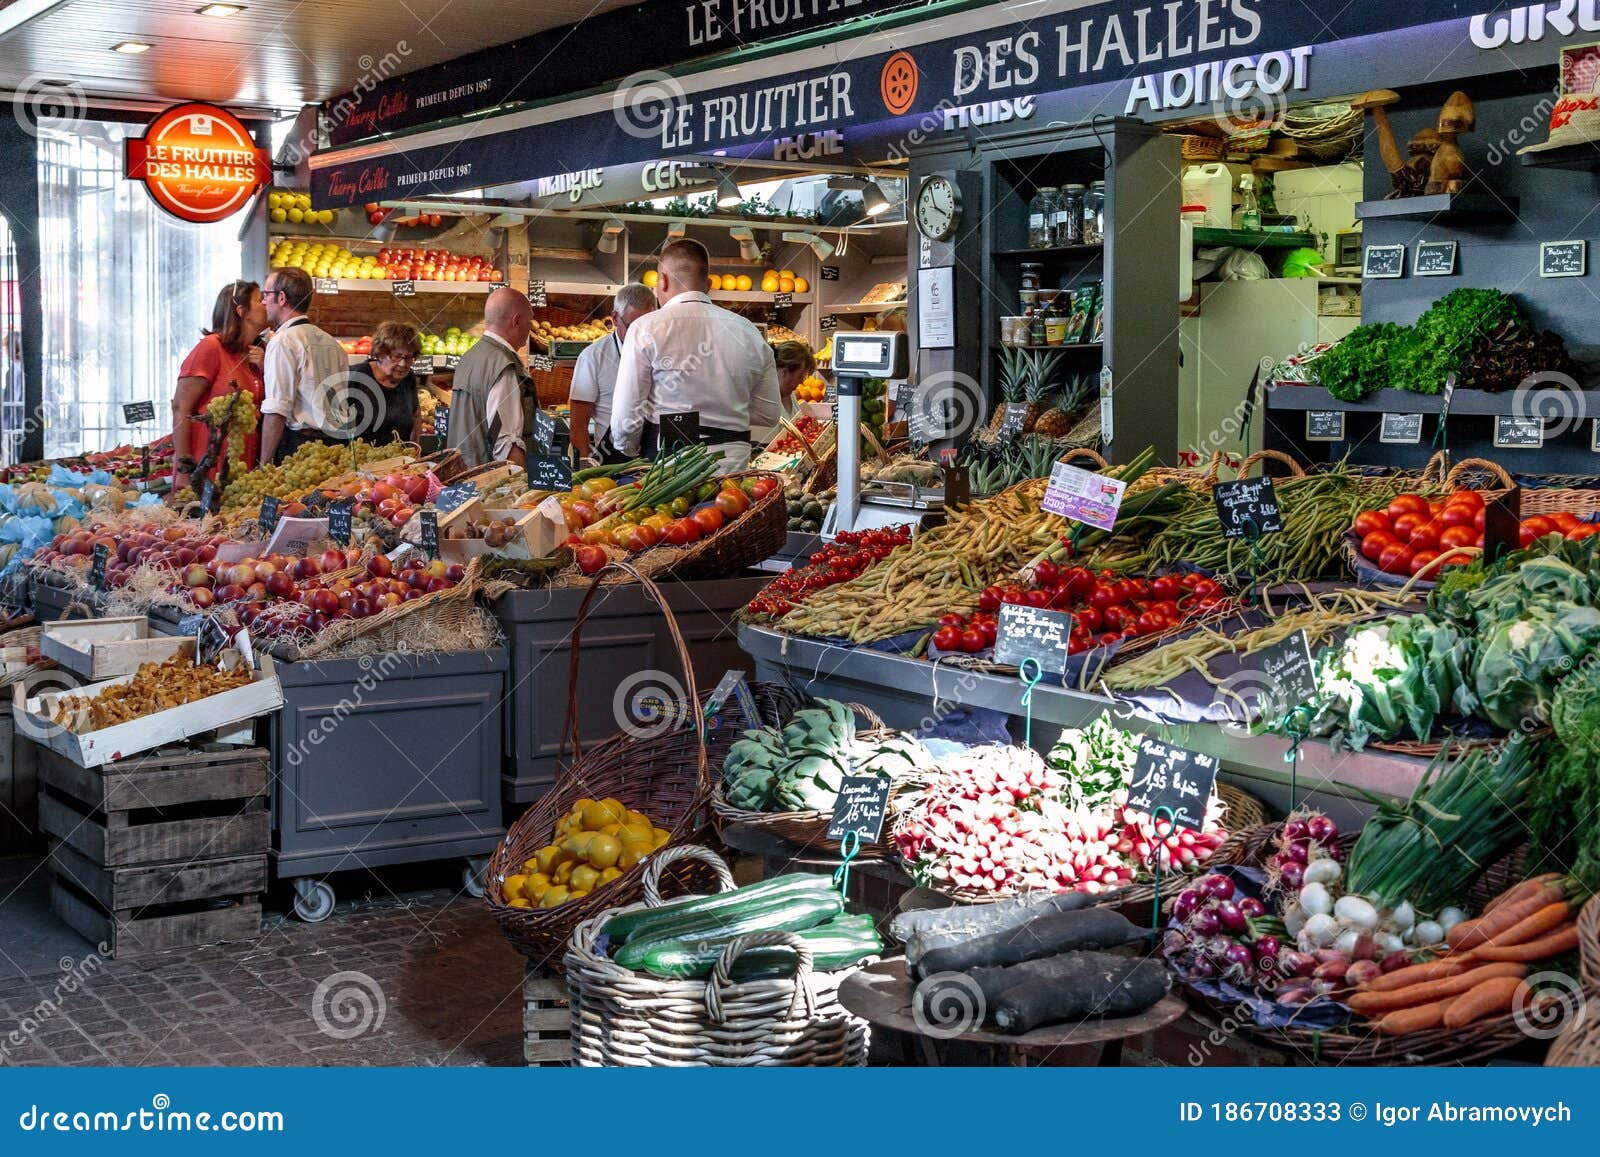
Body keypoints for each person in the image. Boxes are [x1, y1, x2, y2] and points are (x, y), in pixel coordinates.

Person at [610, 239, 782, 473]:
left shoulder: (645, 328)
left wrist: (630, 449)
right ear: (708, 284)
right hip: (732, 468)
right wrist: (725, 415)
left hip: (668, 467)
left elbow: (625, 421)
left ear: (663, 280)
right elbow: (769, 414)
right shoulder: (748, 330)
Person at [171, 279, 266, 490]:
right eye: (260, 300)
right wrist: (184, 471)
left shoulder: (259, 352)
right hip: (206, 462)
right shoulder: (211, 347)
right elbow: (180, 407)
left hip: (242, 462)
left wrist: (266, 366)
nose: (267, 303)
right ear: (242, 311)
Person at [258, 267, 351, 465]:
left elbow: (277, 409)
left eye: (266, 294)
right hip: (337, 448)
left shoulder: (283, 341)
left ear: (281, 298)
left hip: (300, 448)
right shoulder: (332, 343)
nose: (263, 301)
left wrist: (263, 464)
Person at [445, 286, 533, 470]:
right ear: (517, 321)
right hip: (487, 482)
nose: (530, 328)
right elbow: (507, 443)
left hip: (461, 474)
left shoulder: (469, 356)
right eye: (529, 321)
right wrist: (523, 490)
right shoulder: (503, 366)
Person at [568, 283, 656, 466]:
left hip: (655, 456)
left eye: (647, 325)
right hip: (611, 460)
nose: (641, 334)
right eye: (632, 327)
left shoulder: (662, 351)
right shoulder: (592, 358)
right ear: (615, 318)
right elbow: (578, 422)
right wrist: (582, 468)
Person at [351, 321, 424, 446]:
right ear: (380, 353)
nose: (403, 364)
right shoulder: (356, 377)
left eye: (408, 357)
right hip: (364, 460)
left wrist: (415, 448)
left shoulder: (408, 378)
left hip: (400, 460)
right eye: (396, 356)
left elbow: (415, 414)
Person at [771, 341, 815, 413]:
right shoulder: (767, 401)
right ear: (784, 372)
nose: (801, 382)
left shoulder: (791, 395)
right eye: (800, 376)